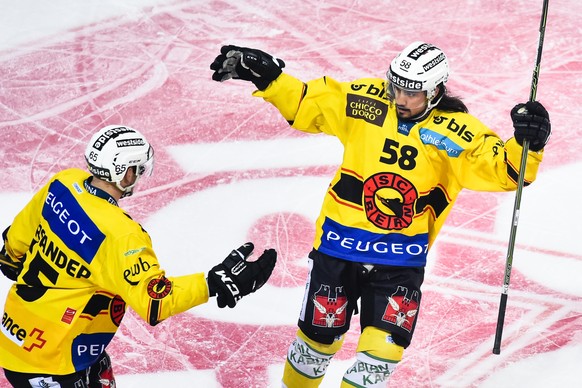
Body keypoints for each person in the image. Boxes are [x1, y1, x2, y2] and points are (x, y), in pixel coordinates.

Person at [210, 42, 551, 387]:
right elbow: (309, 102)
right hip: (339, 248)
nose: (400, 98)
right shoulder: (367, 100)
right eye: (396, 87)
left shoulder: (459, 132)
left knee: (379, 359)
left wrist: (530, 144)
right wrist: (271, 79)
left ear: (435, 91)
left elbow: (507, 171)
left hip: (399, 262)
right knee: (315, 345)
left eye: (411, 92)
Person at [0, 125, 277, 388]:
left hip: (17, 336)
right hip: (52, 362)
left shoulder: (63, 183)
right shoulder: (122, 235)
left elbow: (16, 241)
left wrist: (14, 257)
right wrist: (214, 283)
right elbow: (155, 302)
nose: (138, 175)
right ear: (125, 173)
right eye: (137, 169)